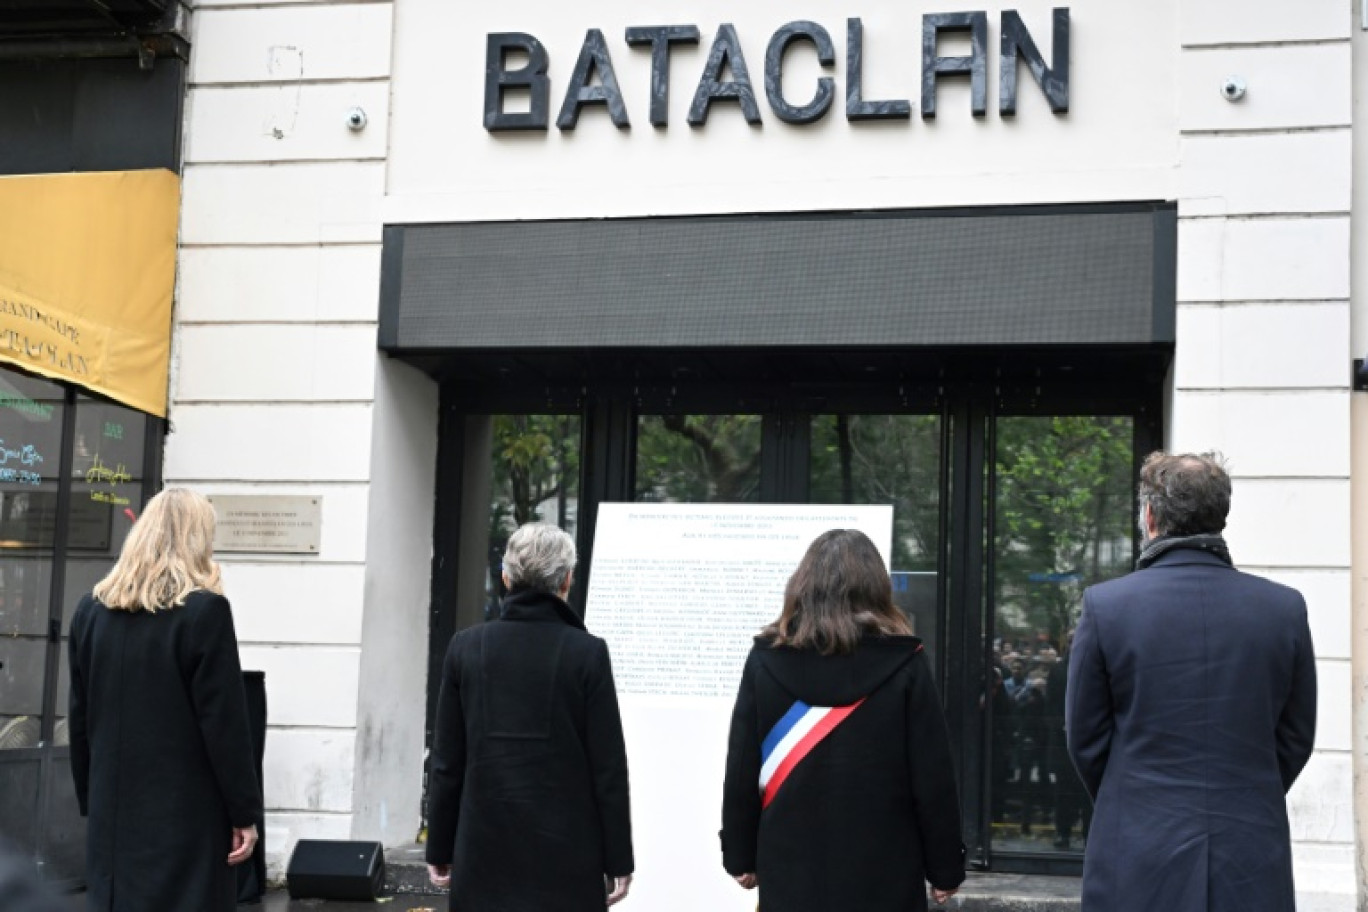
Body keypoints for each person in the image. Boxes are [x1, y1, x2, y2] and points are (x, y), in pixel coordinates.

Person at [1066, 452, 1317, 912]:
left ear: (1149, 515)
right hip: (1249, 845)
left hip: (1138, 847)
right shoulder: (1283, 609)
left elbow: (1085, 739)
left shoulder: (1107, 607)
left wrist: (1133, 796)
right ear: (1221, 515)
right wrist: (1245, 789)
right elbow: (1296, 736)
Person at [720, 529, 965, 912]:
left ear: (802, 586)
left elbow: (742, 766)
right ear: (876, 588)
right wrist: (946, 866)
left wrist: (739, 853)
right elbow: (932, 775)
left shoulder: (765, 661)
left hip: (790, 868)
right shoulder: (906, 662)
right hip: (886, 870)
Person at [68, 488, 261, 912]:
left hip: (113, 816)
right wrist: (243, 812)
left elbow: (80, 719)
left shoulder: (89, 612)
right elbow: (224, 725)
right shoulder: (205, 612)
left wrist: (93, 799)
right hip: (186, 818)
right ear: (198, 540)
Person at [426, 523, 634, 910]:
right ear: (567, 580)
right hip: (568, 856)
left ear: (505, 577)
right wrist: (618, 857)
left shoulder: (465, 648)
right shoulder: (587, 653)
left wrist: (439, 845)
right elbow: (607, 767)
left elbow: (447, 763)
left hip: (483, 850)